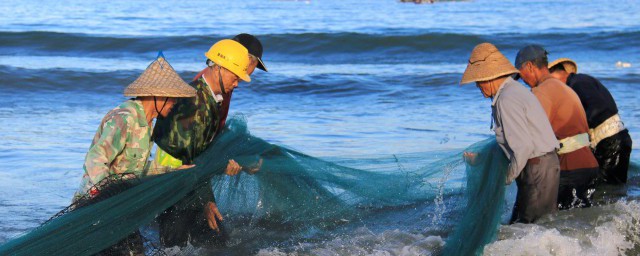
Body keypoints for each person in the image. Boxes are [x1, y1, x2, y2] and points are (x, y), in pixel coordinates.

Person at [74, 55, 196, 254]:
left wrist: (172, 171)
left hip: (121, 206)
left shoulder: (148, 124)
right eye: (173, 96)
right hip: (95, 207)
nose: (176, 102)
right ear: (157, 95)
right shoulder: (125, 118)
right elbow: (95, 159)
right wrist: (107, 195)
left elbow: (138, 169)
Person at [152, 37, 266, 248]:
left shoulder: (212, 98)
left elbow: (204, 148)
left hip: (189, 184)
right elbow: (189, 159)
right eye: (236, 77)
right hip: (173, 186)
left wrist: (237, 160)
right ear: (219, 68)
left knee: (209, 244)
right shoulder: (194, 103)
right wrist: (206, 201)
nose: (237, 84)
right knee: (176, 247)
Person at [461, 43, 560, 224]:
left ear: (489, 77)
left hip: (537, 168)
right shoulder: (513, 91)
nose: (477, 86)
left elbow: (523, 147)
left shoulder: (506, 99)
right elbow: (513, 142)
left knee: (529, 229)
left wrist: (504, 178)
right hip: (542, 166)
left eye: (478, 80)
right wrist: (482, 159)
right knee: (532, 227)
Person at [515, 45, 600, 209]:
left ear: (530, 67)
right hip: (589, 164)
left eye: (521, 74)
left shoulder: (541, 92)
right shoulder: (564, 87)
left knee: (556, 223)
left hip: (571, 167)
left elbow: (531, 134)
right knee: (580, 224)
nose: (523, 81)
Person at [548, 58, 632, 184]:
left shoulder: (577, 83)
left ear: (557, 74)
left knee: (606, 188)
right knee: (614, 187)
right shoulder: (583, 80)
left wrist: (580, 127)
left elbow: (598, 108)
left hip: (610, 142)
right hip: (617, 138)